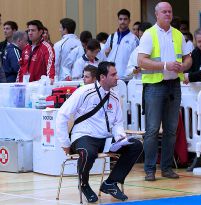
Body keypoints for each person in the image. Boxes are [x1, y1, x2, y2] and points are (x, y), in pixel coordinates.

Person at [56, 61, 143, 202]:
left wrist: (120, 137)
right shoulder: (84, 91)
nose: (117, 77)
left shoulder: (114, 97)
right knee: (87, 152)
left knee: (136, 145)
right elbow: (62, 115)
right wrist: (64, 142)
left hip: (105, 138)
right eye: (113, 74)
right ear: (102, 77)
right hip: (84, 136)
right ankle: (83, 184)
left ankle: (110, 183)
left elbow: (117, 123)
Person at [138, 2, 192, 181]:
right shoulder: (148, 34)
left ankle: (167, 168)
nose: (168, 14)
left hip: (174, 86)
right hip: (155, 86)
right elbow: (142, 61)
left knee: (171, 129)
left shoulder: (178, 35)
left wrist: (183, 66)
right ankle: (150, 169)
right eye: (164, 12)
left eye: (170, 11)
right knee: (152, 130)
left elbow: (188, 58)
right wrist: (165, 65)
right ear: (156, 14)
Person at [104, 9, 139, 81]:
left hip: (126, 79)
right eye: (120, 19)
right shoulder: (111, 37)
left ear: (129, 21)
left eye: (125, 19)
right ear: (118, 20)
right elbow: (105, 55)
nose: (122, 21)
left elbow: (137, 60)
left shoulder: (134, 39)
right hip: (110, 79)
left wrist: (130, 73)